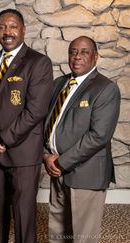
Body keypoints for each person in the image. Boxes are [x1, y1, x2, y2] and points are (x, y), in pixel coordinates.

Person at [0, 9, 53, 243]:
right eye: (1, 27)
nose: (7, 32)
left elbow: (35, 111)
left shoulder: (38, 62)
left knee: (24, 218)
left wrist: (1, 141)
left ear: (23, 29)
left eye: (12, 26)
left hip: (22, 154)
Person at [43, 36, 120, 243]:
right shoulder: (59, 83)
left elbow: (99, 136)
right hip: (55, 169)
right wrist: (46, 156)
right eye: (73, 51)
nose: (77, 56)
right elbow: (46, 122)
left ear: (95, 57)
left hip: (86, 172)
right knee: (58, 231)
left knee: (82, 237)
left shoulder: (105, 88)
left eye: (84, 52)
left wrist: (61, 161)